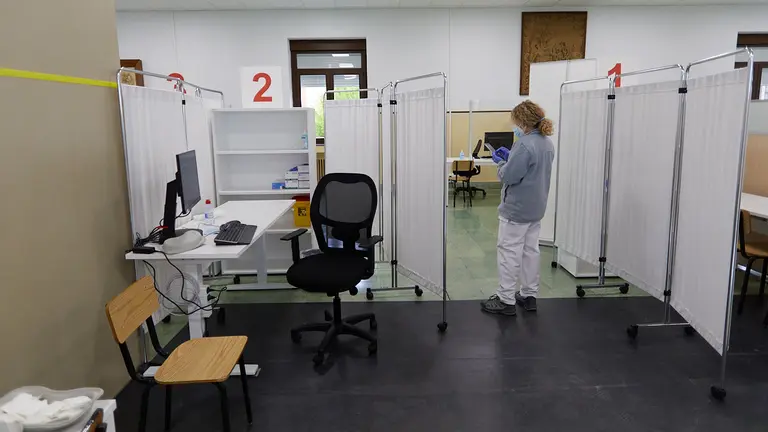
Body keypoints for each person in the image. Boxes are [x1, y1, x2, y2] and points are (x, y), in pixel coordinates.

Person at [481, 100, 555, 316]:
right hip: (536, 208)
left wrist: (502, 162)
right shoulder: (546, 143)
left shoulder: (524, 145)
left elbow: (509, 177)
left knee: (509, 253)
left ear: (523, 122)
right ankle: (529, 295)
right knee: (531, 251)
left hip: (516, 210)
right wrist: (512, 158)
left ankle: (505, 300)